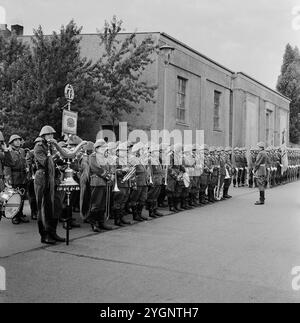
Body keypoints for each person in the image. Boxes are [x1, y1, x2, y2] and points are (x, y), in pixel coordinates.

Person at [87, 139, 115, 232]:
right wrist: (108, 176)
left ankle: (101, 222)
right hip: (97, 182)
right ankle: (93, 223)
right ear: (97, 148)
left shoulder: (104, 157)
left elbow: (109, 167)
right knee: (96, 204)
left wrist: (111, 173)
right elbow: (96, 168)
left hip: (104, 182)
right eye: (103, 147)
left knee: (102, 204)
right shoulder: (93, 156)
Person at [5, 134, 29, 224]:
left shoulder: (22, 151)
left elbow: (25, 161)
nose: (18, 141)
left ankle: (20, 214)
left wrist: (27, 168)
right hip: (14, 177)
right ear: (11, 142)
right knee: (14, 198)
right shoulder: (8, 151)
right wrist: (9, 180)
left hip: (23, 177)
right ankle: (14, 216)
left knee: (22, 197)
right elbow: (7, 167)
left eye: (19, 140)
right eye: (15, 140)